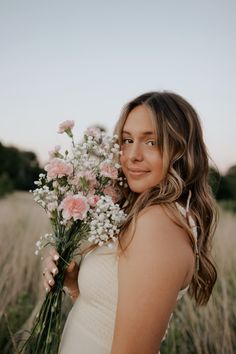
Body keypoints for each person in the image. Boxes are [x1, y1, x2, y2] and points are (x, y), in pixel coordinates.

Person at [42, 91, 217, 354]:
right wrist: (75, 284)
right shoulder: (147, 215)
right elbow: (108, 320)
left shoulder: (158, 224)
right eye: (127, 140)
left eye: (151, 142)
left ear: (181, 150)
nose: (132, 155)